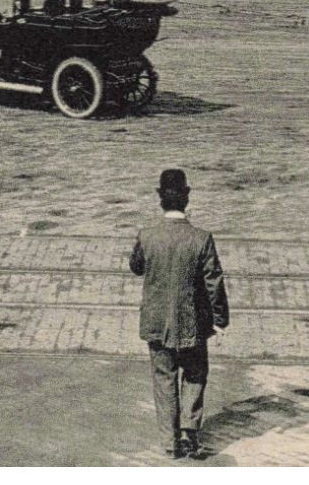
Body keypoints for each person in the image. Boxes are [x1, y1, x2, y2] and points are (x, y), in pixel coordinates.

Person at [129, 169, 229, 460]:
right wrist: (220, 319)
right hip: (193, 324)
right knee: (196, 372)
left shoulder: (147, 236)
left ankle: (170, 443)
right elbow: (214, 282)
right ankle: (189, 432)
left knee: (164, 379)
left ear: (160, 198)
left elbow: (136, 266)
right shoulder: (201, 238)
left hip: (157, 322)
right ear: (187, 198)